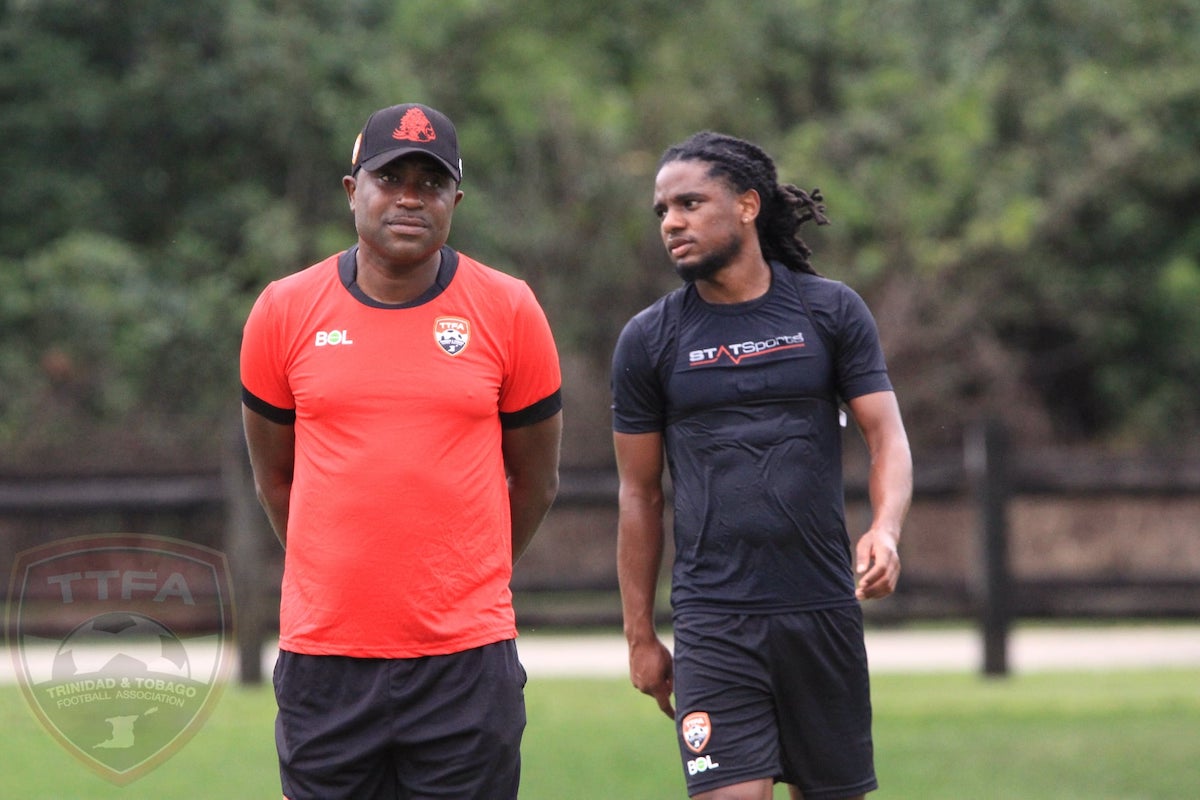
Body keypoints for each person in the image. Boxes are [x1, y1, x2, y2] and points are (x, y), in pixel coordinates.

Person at [240, 102, 563, 800]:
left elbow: (535, 481)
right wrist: (336, 580)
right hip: (325, 660)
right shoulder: (282, 311)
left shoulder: (509, 309)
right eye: (391, 178)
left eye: (431, 181)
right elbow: (274, 478)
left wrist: (466, 580)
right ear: (353, 191)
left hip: (465, 665)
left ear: (456, 199)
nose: (410, 197)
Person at [611, 131, 912, 800]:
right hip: (714, 621)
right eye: (662, 210)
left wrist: (885, 528)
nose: (672, 223)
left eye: (690, 203)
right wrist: (640, 636)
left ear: (748, 205)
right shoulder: (649, 339)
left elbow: (886, 436)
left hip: (822, 611)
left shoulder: (829, 311)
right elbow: (639, 494)